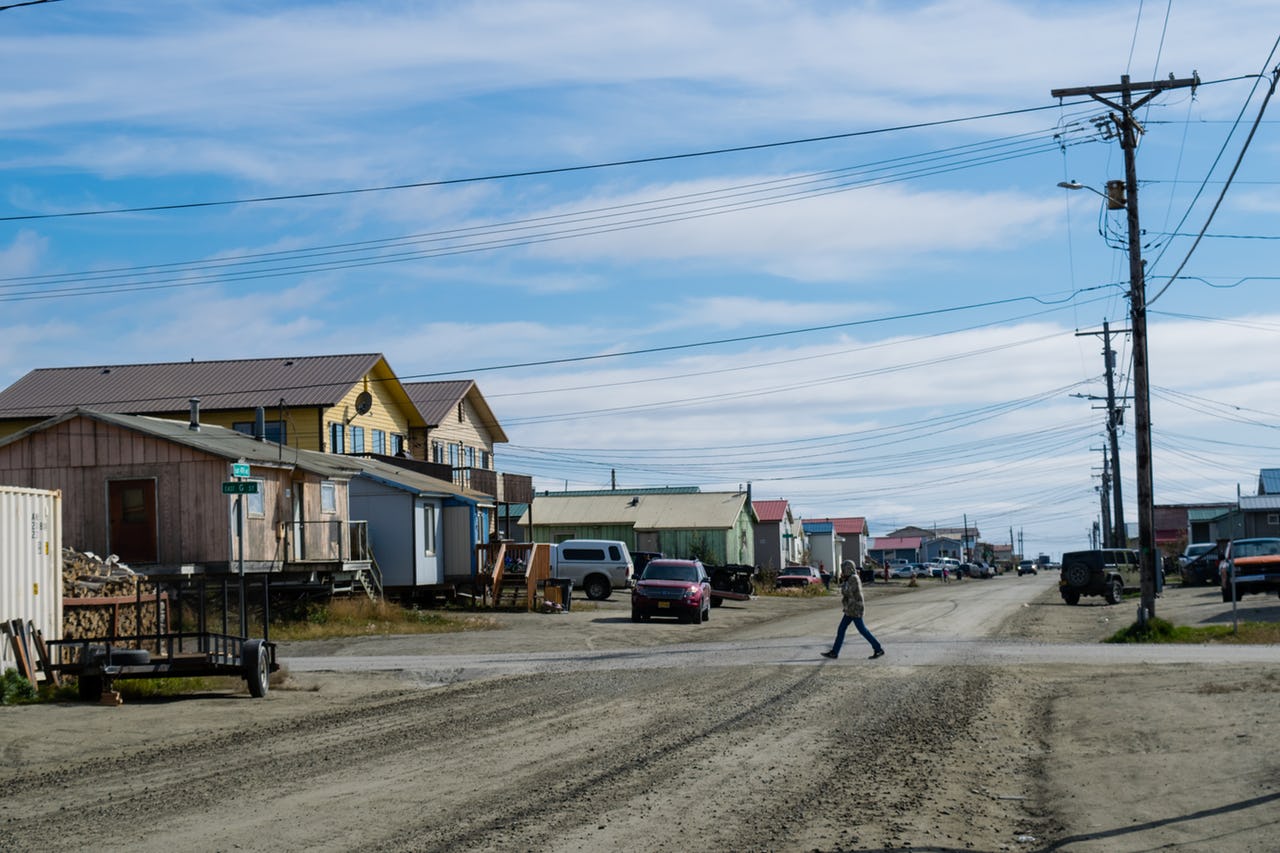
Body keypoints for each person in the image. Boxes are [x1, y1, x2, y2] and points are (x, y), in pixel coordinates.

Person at [821, 560, 885, 660]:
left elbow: (847, 592)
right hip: (850, 609)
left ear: (848, 569)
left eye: (844, 569)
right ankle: (834, 652)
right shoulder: (851, 578)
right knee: (841, 629)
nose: (843, 571)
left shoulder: (853, 578)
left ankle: (878, 648)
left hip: (855, 609)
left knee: (863, 630)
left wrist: (843, 583)